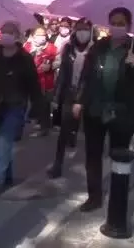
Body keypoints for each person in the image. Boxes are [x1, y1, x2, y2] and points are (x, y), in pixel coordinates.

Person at [73, 7, 134, 212]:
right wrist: (79, 100)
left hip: (122, 111)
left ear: (128, 25)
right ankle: (94, 197)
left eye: (121, 23)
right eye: (113, 22)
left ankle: (118, 193)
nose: (116, 26)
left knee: (118, 154)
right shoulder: (99, 46)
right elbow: (86, 75)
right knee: (93, 155)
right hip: (95, 109)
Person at [0, 21, 43, 198]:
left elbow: (34, 85)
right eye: (3, 32)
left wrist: (38, 108)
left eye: (10, 32)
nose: (5, 35)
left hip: (15, 106)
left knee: (2, 141)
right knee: (2, 143)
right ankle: (8, 176)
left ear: (17, 36)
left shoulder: (24, 58)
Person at [48, 18, 94, 178]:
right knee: (63, 132)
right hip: (70, 93)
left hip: (88, 96)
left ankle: (91, 169)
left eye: (85, 29)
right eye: (79, 29)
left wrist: (82, 100)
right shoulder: (68, 48)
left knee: (90, 133)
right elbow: (62, 75)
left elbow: (92, 78)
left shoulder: (95, 50)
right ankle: (57, 164)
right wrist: (56, 96)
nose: (82, 32)